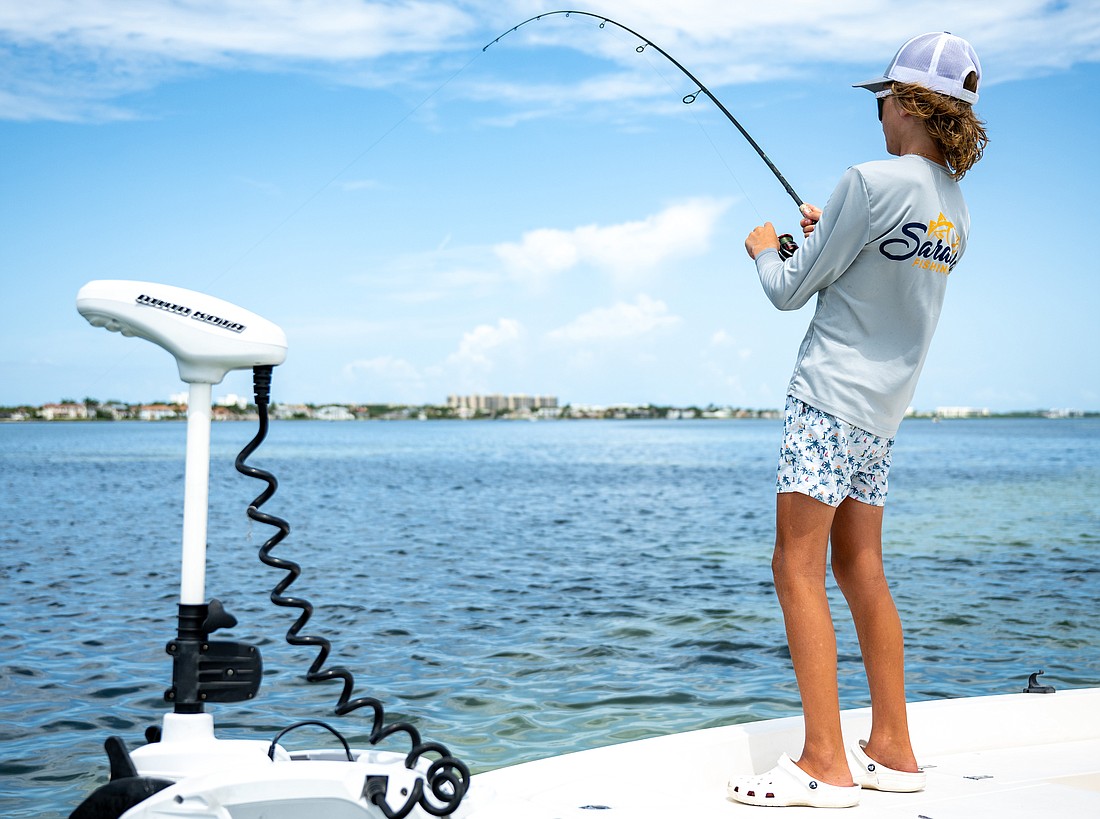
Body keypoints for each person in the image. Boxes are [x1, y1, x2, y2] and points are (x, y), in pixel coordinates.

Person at [727, 32, 989, 809]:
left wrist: (767, 248)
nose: (877, 116)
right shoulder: (955, 209)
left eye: (882, 100)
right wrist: (828, 231)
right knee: (860, 568)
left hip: (827, 398)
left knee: (794, 566)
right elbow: (876, 276)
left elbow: (788, 289)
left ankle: (824, 763)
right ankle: (893, 748)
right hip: (881, 416)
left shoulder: (868, 180)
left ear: (909, 103)